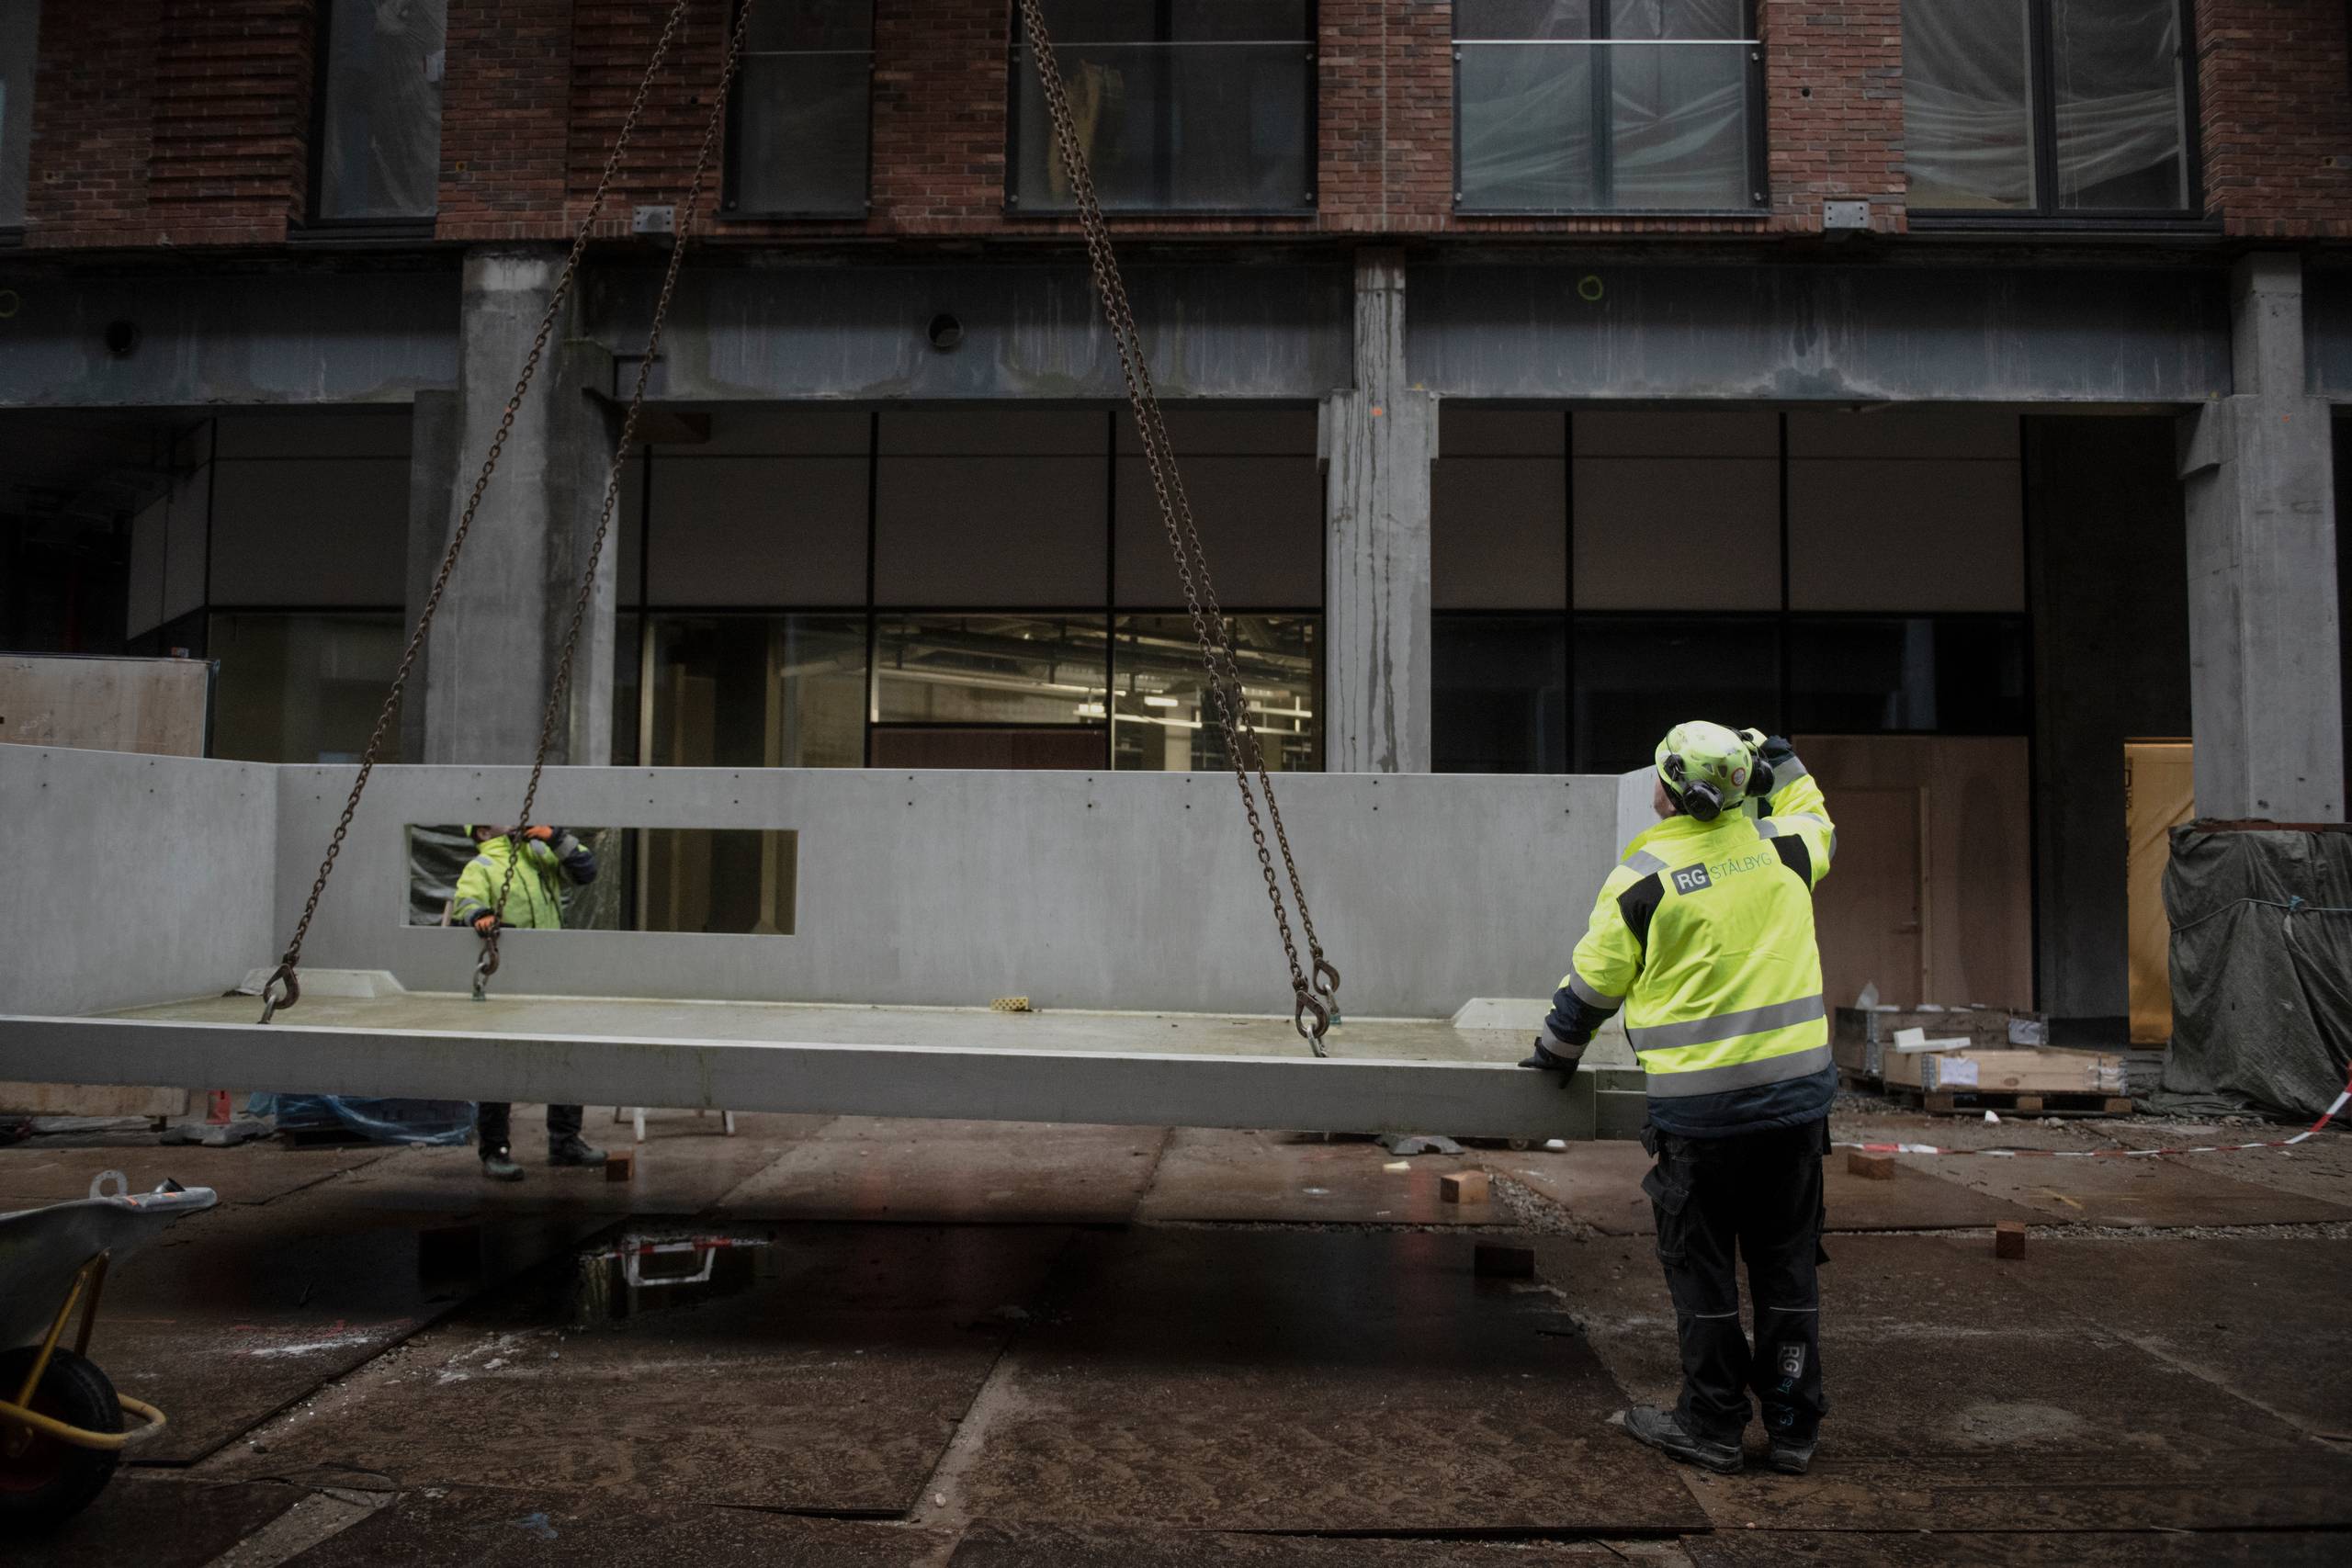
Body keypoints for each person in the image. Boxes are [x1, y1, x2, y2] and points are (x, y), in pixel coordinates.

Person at [1522, 721, 1837, 1476]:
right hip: (1794, 1114)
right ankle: (1793, 1427)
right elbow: (1814, 812)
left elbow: (1594, 985)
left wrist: (1553, 1056)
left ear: (1667, 788)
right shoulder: (1785, 849)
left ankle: (1713, 1422)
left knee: (1703, 1275)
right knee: (1786, 1268)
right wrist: (1782, 756)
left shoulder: (1646, 876)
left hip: (1701, 1124)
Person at [452, 824, 606, 1181]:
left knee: (565, 1053)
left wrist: (555, 836)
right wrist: (478, 915)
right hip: (509, 981)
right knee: (500, 1062)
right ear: (482, 831)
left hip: (553, 975)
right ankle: (495, 1150)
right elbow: (466, 900)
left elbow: (586, 870)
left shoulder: (539, 856)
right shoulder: (483, 867)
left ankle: (565, 1141)